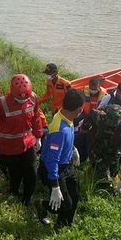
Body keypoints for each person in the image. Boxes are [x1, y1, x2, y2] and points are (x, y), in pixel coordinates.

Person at [0, 74, 43, 206]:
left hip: (28, 143)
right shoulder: (2, 104)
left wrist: (38, 136)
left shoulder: (33, 98)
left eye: (25, 99)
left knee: (31, 172)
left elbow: (36, 117)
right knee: (15, 173)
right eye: (19, 100)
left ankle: (27, 198)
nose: (22, 102)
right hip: (9, 147)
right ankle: (13, 192)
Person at [35, 89, 85, 228]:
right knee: (64, 203)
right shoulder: (59, 130)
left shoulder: (65, 116)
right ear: (79, 109)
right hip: (55, 168)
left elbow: (66, 141)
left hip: (67, 164)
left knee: (75, 196)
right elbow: (52, 160)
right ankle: (41, 205)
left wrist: (73, 149)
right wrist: (55, 185)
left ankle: (64, 224)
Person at [82, 104, 121, 190]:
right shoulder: (99, 117)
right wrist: (85, 126)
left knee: (114, 170)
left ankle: (111, 178)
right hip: (99, 149)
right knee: (101, 171)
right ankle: (103, 182)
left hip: (114, 151)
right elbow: (90, 114)